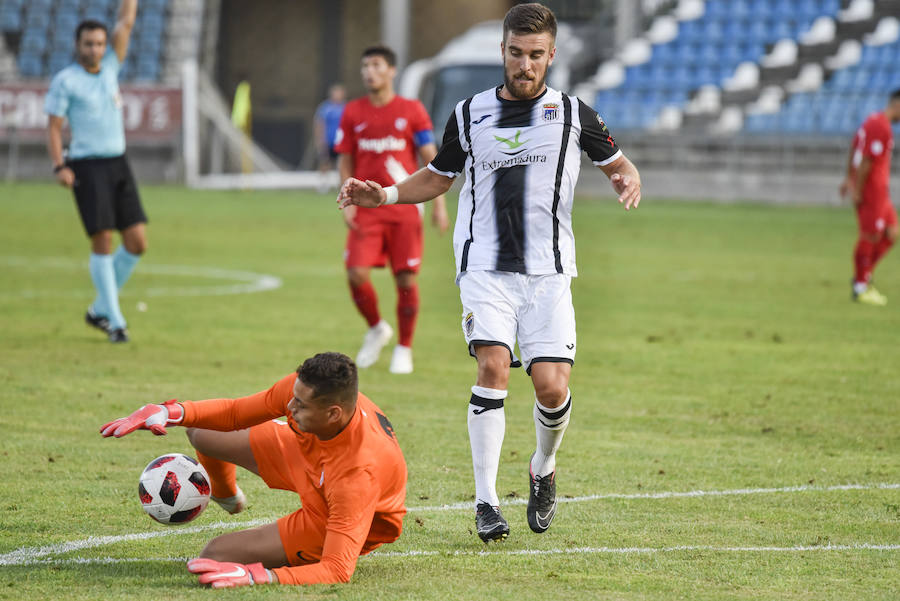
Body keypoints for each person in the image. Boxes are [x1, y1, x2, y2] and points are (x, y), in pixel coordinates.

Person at [338, 3, 641, 543]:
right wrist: (383, 193)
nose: (526, 65)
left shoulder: (575, 114)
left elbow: (617, 162)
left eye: (536, 56)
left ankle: (543, 468)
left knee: (551, 387)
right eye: (517, 53)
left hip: (549, 272)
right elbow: (436, 177)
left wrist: (626, 178)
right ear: (503, 51)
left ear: (550, 57)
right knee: (493, 366)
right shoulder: (471, 112)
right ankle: (486, 502)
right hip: (484, 267)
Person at [100, 352, 407, 588]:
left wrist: (255, 575)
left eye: (300, 404)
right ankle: (226, 495)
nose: (290, 405)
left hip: (332, 510)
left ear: (333, 413)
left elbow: (337, 571)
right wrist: (170, 411)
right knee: (201, 431)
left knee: (214, 557)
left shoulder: (357, 476)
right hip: (310, 456)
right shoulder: (306, 398)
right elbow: (236, 413)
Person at [334, 45, 450, 375]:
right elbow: (345, 161)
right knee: (356, 273)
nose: (368, 72)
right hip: (366, 208)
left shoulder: (411, 110)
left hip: (403, 207)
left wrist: (438, 205)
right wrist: (347, 202)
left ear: (391, 71)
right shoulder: (353, 112)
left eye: (375, 65)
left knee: (406, 280)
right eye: (365, 66)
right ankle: (376, 328)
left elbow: (432, 160)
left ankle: (404, 347)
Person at [45, 0, 145, 343]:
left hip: (118, 162)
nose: (95, 49)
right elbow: (55, 127)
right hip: (87, 166)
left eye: (100, 43)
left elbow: (126, 23)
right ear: (78, 45)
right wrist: (60, 165)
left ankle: (99, 308)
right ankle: (115, 321)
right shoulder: (66, 81)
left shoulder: (111, 68)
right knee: (102, 238)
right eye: (89, 43)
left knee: (136, 243)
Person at [839, 88, 900, 306]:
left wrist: (848, 178)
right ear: (897, 104)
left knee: (892, 232)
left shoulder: (873, 121)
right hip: (871, 190)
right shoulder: (880, 126)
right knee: (870, 235)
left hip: (880, 191)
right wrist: (857, 188)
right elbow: (865, 161)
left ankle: (863, 274)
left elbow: (854, 147)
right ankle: (861, 287)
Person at [313, 84, 346, 181]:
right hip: (328, 141)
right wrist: (320, 140)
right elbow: (319, 124)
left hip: (341, 142)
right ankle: (323, 185)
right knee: (325, 162)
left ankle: (341, 183)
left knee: (341, 163)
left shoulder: (346, 107)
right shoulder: (325, 108)